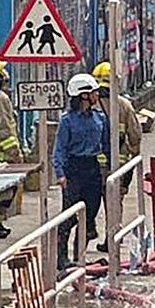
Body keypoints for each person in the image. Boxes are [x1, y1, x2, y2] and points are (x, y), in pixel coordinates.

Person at [52, 73, 111, 266]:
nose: (97, 95)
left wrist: (109, 169)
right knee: (69, 216)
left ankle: (80, 257)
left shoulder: (100, 118)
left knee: (90, 214)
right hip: (73, 169)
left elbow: (107, 146)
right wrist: (60, 174)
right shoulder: (67, 121)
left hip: (92, 169)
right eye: (93, 92)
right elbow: (59, 149)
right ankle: (61, 258)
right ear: (84, 95)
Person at [93, 62, 143, 168]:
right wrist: (134, 155)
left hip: (94, 165)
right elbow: (135, 134)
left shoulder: (89, 105)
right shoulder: (124, 104)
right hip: (120, 163)